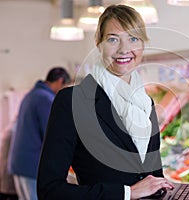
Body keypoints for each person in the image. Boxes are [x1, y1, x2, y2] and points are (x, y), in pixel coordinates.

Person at [37, 4, 174, 200]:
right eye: (113, 39)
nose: (124, 49)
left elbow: (152, 176)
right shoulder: (72, 101)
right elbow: (49, 190)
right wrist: (128, 193)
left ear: (143, 44)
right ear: (98, 43)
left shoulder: (146, 104)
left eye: (133, 38)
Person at [7, 67, 71, 200]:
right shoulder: (46, 99)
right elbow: (53, 135)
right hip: (32, 166)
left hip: (19, 164)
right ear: (60, 81)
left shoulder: (32, 94)